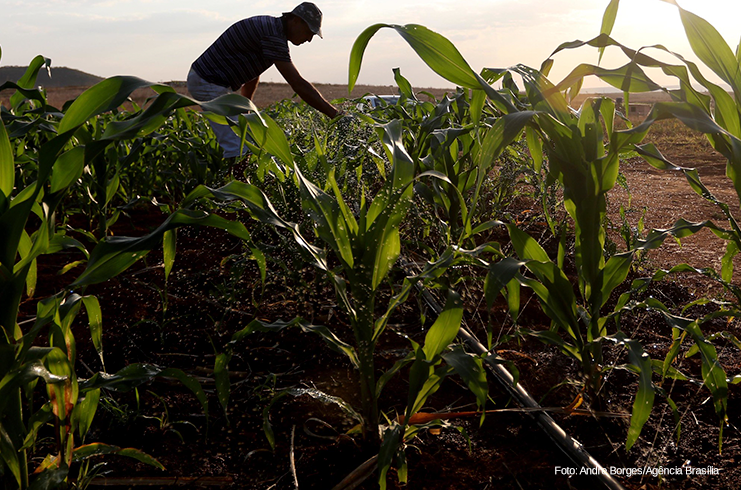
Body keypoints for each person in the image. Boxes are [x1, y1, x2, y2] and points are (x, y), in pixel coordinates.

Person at [187, 2, 340, 159]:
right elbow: (297, 83)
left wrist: (246, 107)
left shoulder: (272, 29)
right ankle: (236, 182)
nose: (309, 39)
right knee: (237, 146)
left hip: (213, 82)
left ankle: (240, 178)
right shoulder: (273, 36)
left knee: (249, 137)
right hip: (207, 82)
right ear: (295, 20)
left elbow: (253, 71)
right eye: (309, 32)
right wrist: (335, 115)